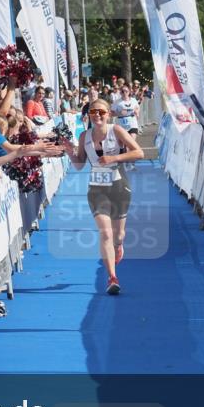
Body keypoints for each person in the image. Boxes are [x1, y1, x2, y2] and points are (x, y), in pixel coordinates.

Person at [60, 98, 144, 296]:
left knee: (118, 235)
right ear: (88, 115)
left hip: (119, 186)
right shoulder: (84, 136)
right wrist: (69, 151)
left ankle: (119, 245)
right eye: (93, 112)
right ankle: (112, 277)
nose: (97, 115)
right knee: (105, 233)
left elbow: (139, 153)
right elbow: (79, 164)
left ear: (109, 114)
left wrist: (114, 158)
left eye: (101, 112)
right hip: (97, 189)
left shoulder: (117, 131)